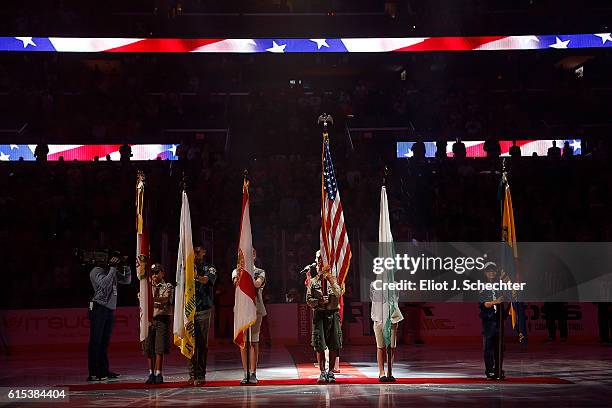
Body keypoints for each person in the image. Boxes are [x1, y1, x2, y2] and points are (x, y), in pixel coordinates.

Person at [87, 254, 132, 381]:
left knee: (104, 342)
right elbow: (105, 284)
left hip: (109, 310)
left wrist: (126, 267)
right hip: (99, 308)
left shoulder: (110, 271)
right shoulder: (95, 271)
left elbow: (126, 280)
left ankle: (104, 370)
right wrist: (112, 268)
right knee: (96, 341)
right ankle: (94, 372)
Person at [306, 250, 342, 384]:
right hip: (319, 314)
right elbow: (308, 300)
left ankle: (331, 372)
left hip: (333, 313)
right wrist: (318, 302)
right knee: (319, 344)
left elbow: (338, 294)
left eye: (323, 258)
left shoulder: (335, 278)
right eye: (318, 258)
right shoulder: (313, 281)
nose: (320, 261)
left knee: (333, 344)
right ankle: (322, 372)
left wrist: (330, 280)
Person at [232, 248, 267, 385]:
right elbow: (236, 283)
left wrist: (248, 276)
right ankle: (245, 373)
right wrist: (241, 273)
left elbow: (257, 283)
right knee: (243, 342)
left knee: (253, 341)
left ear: (254, 256)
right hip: (242, 309)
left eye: (250, 254)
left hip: (256, 309)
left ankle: (253, 373)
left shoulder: (260, 272)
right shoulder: (237, 271)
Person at [189, 246, 217, 385]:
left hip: (203, 310)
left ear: (204, 252)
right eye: (194, 252)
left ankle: (200, 374)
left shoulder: (209, 267)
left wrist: (196, 276)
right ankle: (191, 374)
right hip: (190, 309)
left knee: (201, 344)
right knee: (190, 342)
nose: (195, 255)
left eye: (198, 252)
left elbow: (207, 280)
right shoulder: (187, 268)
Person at [143, 263, 174, 384]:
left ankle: (158, 373)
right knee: (149, 347)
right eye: (153, 273)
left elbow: (165, 300)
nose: (155, 275)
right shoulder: (146, 287)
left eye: (157, 272)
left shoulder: (168, 286)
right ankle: (151, 373)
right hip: (149, 320)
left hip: (162, 319)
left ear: (163, 273)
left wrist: (149, 299)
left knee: (159, 348)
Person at [370, 280, 403, 382]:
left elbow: (395, 299)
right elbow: (373, 298)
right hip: (379, 318)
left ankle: (390, 372)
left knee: (391, 347)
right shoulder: (374, 284)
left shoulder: (395, 284)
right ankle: (381, 372)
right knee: (381, 346)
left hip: (392, 319)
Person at [478, 262, 504, 380]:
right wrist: (496, 302)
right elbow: (484, 304)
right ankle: (490, 371)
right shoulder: (481, 286)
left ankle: (498, 370)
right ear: (485, 273)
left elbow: (506, 299)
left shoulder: (500, 285)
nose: (491, 273)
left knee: (499, 346)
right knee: (488, 346)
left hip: (499, 319)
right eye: (488, 271)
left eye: (493, 270)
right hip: (488, 320)